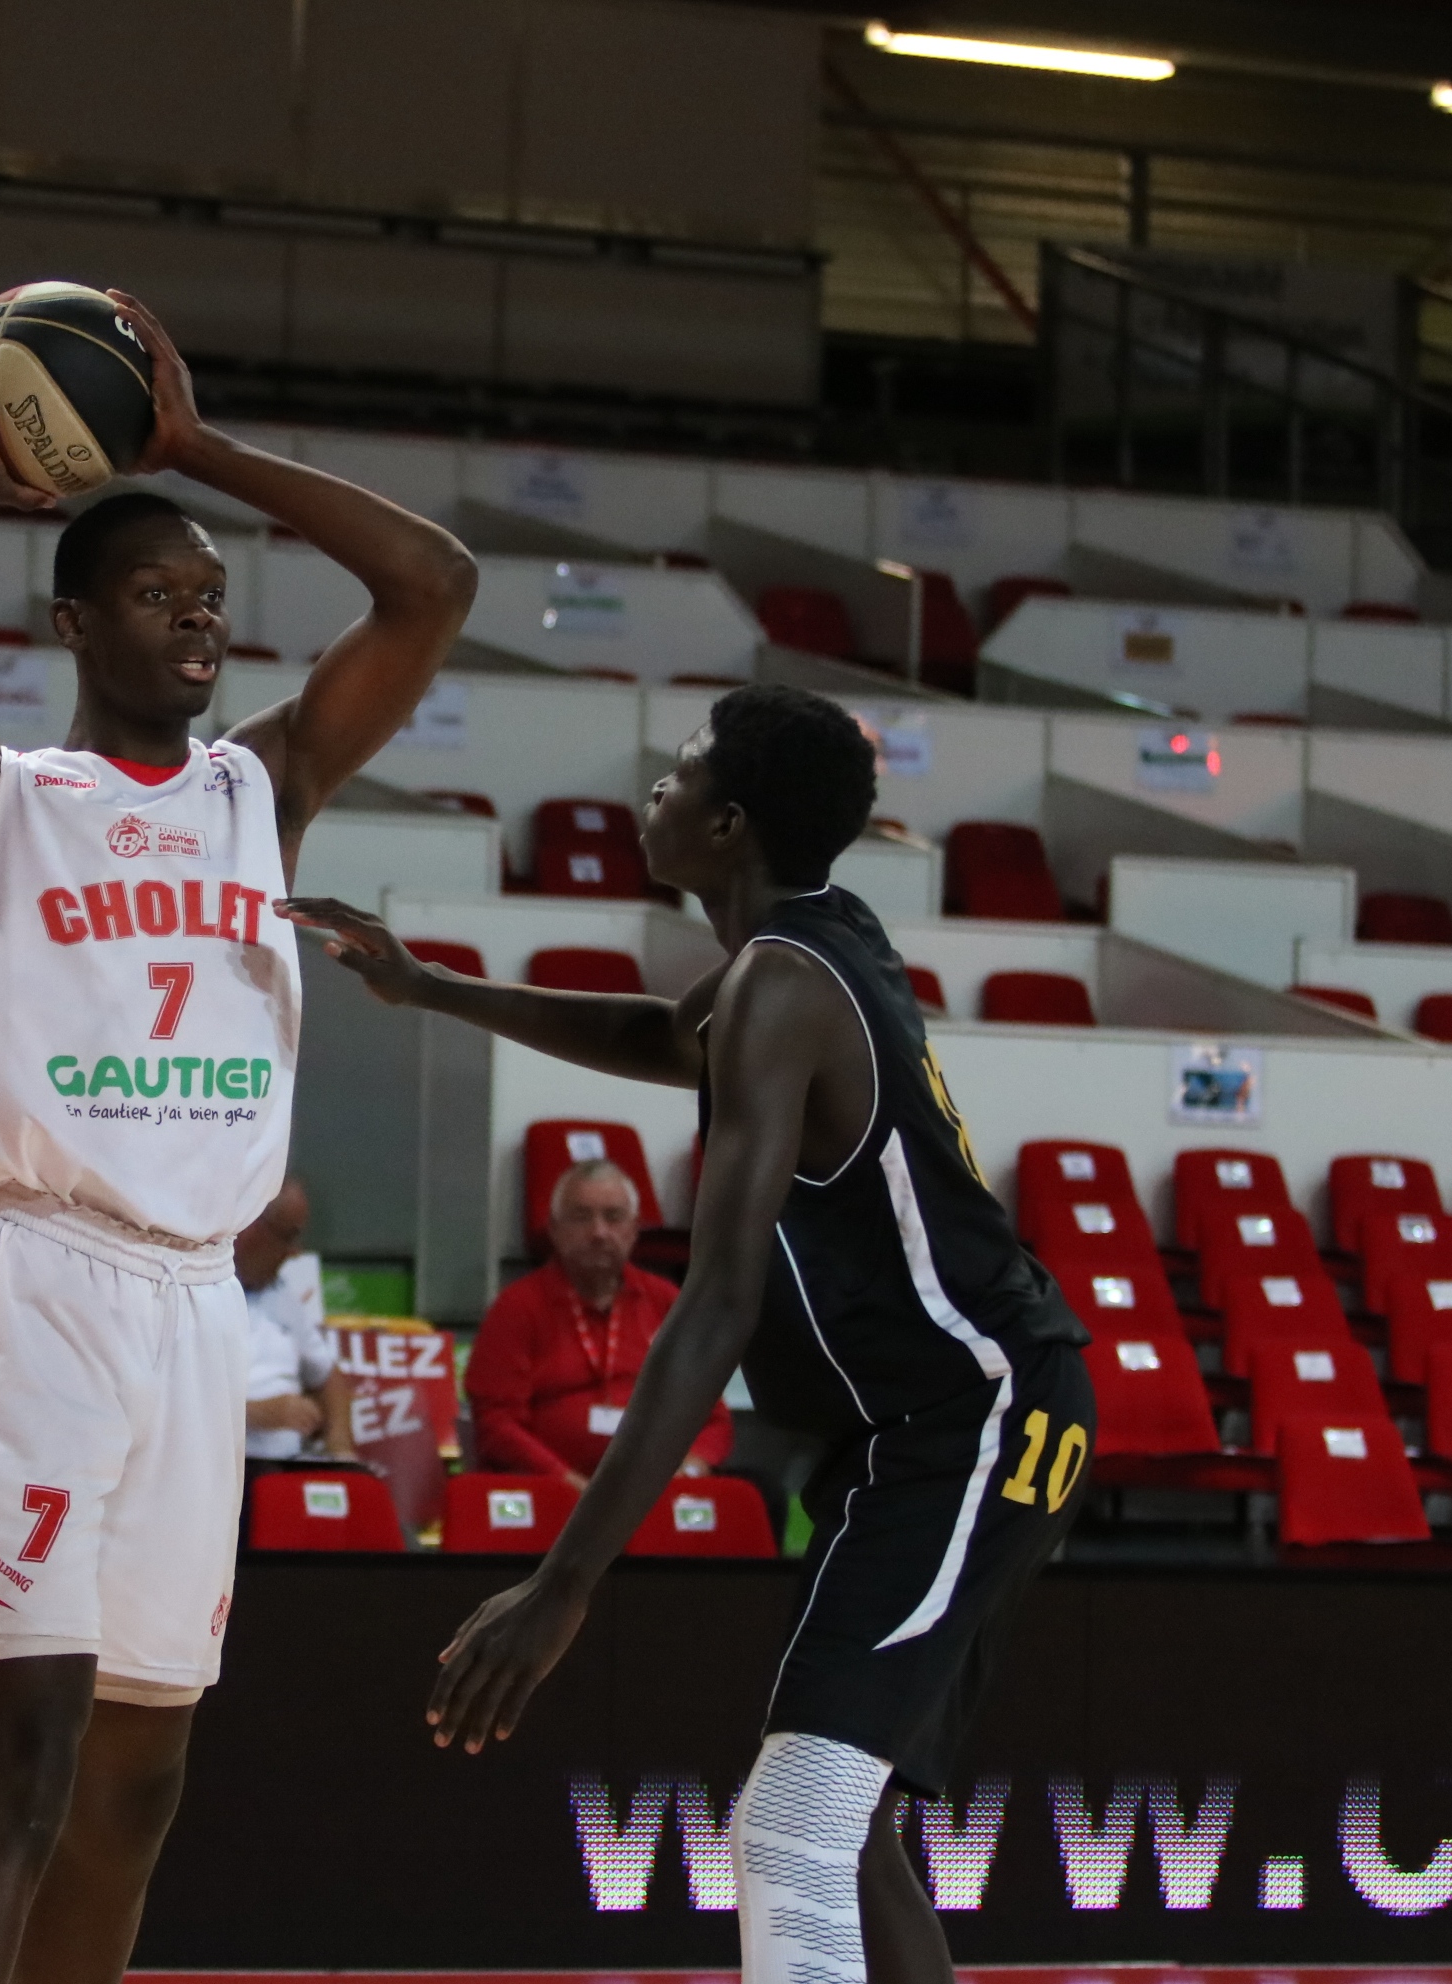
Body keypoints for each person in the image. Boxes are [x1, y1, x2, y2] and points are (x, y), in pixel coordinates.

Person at [0, 291, 472, 1984]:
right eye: (160, 594)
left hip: (194, 1308)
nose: (199, 623)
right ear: (77, 622)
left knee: (139, 1782)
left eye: (214, 599)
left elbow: (431, 582)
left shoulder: (263, 785)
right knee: (20, 1774)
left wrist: (193, 441)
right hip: (41, 1289)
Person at [288, 682, 1095, 1984]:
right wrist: (426, 987)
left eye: (679, 774)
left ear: (727, 826)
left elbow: (714, 1303)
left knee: (790, 1826)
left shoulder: (787, 985)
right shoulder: (809, 946)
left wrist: (563, 1586)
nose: (650, 793)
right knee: (846, 1826)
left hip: (975, 1414)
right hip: (944, 1421)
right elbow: (664, 1035)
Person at [464, 1159, 728, 1486]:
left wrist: (684, 1473)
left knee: (758, 1496)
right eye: (581, 1217)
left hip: (658, 1489)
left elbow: (711, 1420)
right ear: (554, 1230)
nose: (599, 1232)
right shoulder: (515, 1308)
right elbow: (496, 1424)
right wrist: (567, 1482)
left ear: (633, 1231)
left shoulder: (666, 1302)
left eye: (613, 1217)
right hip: (553, 1489)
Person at [235, 1178, 352, 1470]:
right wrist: (255, 1414)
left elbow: (328, 1376)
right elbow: (166, 1405)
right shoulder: (194, 1296)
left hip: (286, 1468)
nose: (294, 1252)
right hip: (220, 1469)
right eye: (288, 1237)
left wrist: (339, 1445)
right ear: (250, 1230)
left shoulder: (282, 1293)